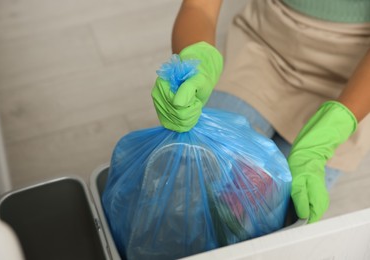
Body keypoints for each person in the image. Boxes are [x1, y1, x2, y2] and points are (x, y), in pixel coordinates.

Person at [151, 0, 370, 223]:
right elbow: (199, 7)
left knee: (273, 214)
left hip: (350, 82)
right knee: (194, 179)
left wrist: (333, 128)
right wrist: (195, 62)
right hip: (264, 44)